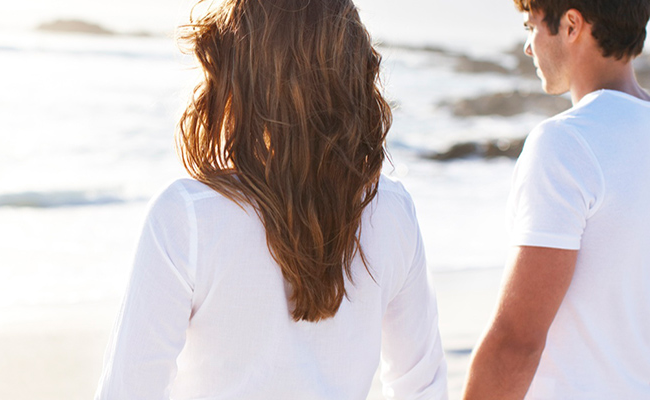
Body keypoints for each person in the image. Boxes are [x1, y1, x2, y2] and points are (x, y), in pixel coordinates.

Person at [95, 1, 448, 399]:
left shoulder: (188, 216)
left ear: (239, 77)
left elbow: (127, 390)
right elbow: (422, 388)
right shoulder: (390, 211)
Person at [463, 1, 650, 399]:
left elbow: (516, 341)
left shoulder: (566, 143)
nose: (529, 47)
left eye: (531, 26)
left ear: (570, 25)